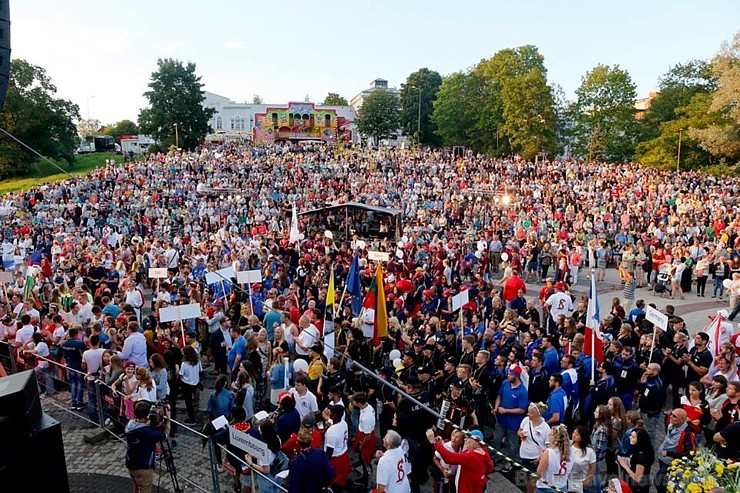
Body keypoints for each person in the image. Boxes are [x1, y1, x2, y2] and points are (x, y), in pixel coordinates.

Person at [426, 428, 494, 493]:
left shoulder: (472, 456)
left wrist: (435, 443)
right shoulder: (481, 452)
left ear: (475, 443)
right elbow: (490, 468)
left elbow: (449, 458)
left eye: (468, 438)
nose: (465, 440)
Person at [124, 400, 169, 493]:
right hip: (143, 467)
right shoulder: (147, 432)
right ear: (148, 415)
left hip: (131, 463)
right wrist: (168, 419)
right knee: (145, 489)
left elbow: (142, 429)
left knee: (136, 487)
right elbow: (165, 435)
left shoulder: (130, 425)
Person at [654, 409, 696, 493]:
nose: (671, 417)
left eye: (674, 416)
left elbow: (690, 454)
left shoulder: (687, 433)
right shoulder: (671, 425)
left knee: (659, 482)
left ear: (682, 420)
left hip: (670, 462)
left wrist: (670, 454)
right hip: (662, 458)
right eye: (671, 414)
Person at [288, 428, 336, 493]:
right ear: (311, 440)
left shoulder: (295, 463)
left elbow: (294, 489)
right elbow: (331, 474)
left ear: (298, 443)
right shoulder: (320, 453)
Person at [518, 402, 551, 493]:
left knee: (534, 481)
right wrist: (520, 434)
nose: (528, 414)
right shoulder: (526, 420)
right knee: (527, 479)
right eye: (528, 412)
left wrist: (540, 458)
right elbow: (519, 430)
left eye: (530, 413)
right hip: (524, 454)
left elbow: (548, 446)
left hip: (535, 458)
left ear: (538, 414)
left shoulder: (545, 428)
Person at [536, 425, 573, 493]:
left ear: (556, 438)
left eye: (551, 434)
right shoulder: (571, 451)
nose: (548, 435)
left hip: (546, 487)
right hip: (562, 486)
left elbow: (539, 472)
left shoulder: (549, 452)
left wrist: (542, 457)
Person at [616, 428, 654, 493]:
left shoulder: (641, 457)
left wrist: (625, 465)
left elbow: (637, 478)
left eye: (633, 437)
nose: (630, 437)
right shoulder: (642, 451)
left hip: (637, 488)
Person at [569, 425, 597, 493]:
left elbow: (592, 469)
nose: (574, 435)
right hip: (568, 482)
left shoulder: (590, 451)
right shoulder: (569, 447)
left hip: (582, 483)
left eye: (577, 434)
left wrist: (587, 481)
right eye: (574, 433)